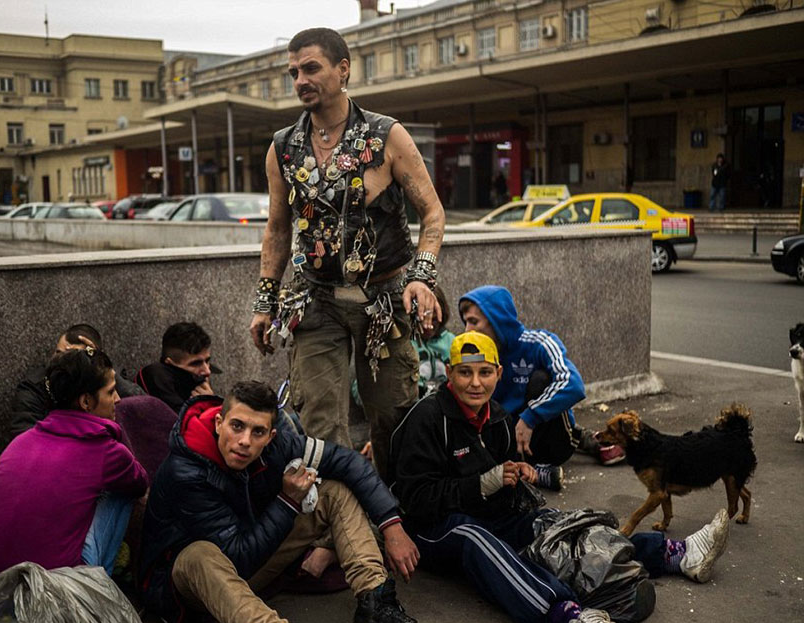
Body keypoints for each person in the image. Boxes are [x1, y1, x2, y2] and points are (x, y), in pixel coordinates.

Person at [390, 332, 731, 623]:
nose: (475, 383)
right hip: (429, 531)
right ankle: (565, 615)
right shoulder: (428, 417)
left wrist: (516, 478)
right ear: (449, 374)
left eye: (484, 372)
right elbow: (415, 497)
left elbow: (501, 485)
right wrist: (481, 484)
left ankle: (674, 554)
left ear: (498, 373)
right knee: (473, 536)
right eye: (464, 373)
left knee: (559, 525)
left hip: (487, 512)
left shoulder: (499, 418)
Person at [248, 27, 446, 480]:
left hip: (385, 299)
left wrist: (422, 276)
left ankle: (398, 511)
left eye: (311, 68)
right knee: (318, 419)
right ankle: (338, 525)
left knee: (393, 413)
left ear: (343, 69)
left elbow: (432, 213)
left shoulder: (386, 135)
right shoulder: (283, 147)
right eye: (294, 72)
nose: (300, 79)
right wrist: (265, 303)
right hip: (314, 299)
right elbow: (278, 230)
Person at [139, 380, 439, 623]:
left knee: (333, 492)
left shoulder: (277, 445)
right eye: (237, 426)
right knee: (199, 554)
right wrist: (288, 501)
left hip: (250, 558)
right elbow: (237, 559)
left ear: (271, 436)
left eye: (257, 432)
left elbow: (349, 462)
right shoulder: (186, 472)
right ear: (219, 423)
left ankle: (376, 605)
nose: (244, 441)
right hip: (187, 588)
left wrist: (391, 525)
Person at [0, 347, 149, 583]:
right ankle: (101, 592)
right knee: (123, 490)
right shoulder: (106, 451)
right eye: (110, 391)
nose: (118, 399)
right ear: (86, 401)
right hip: (53, 592)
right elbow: (140, 482)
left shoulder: (19, 444)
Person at [459, 285, 625, 474]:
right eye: (465, 323)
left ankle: (574, 439)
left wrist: (530, 418)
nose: (467, 331)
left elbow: (573, 384)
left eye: (473, 322)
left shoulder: (539, 343)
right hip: (505, 440)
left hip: (546, 439)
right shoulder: (474, 352)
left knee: (540, 379)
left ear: (497, 320)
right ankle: (539, 470)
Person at [9, 323, 142, 441]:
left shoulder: (105, 380)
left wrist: (103, 370)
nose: (61, 361)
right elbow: (24, 438)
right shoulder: (35, 386)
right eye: (58, 353)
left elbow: (144, 408)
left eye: (72, 357)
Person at [135, 321, 219, 413]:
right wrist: (208, 407)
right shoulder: (157, 377)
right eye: (195, 363)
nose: (207, 371)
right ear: (170, 364)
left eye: (207, 361)